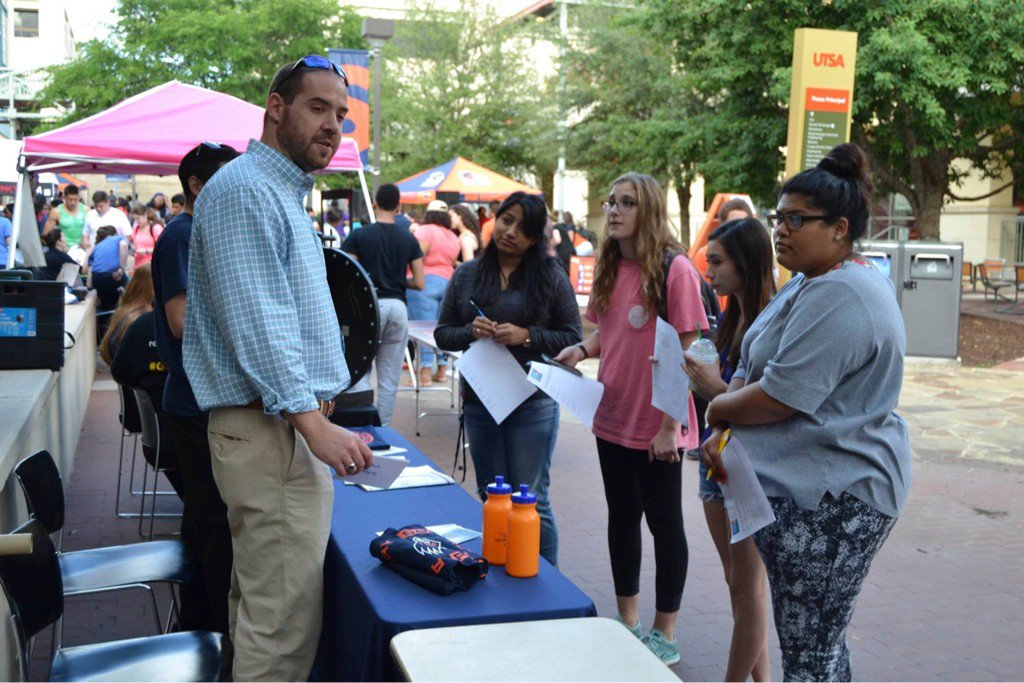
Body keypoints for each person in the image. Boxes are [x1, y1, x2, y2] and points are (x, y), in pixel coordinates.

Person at [183, 56, 372, 681]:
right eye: (318, 108)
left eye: (340, 114)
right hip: (275, 431)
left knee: (264, 612)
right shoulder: (247, 190)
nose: (333, 126)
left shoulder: (275, 190)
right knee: (281, 631)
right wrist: (312, 424)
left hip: (279, 427)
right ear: (276, 107)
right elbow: (259, 324)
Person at [702, 143, 912, 681]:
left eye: (796, 220)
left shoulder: (844, 293)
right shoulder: (809, 280)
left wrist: (717, 407)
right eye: (778, 217)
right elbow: (753, 357)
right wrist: (728, 418)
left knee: (811, 653)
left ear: (839, 228)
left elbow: (779, 397)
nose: (780, 230)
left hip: (837, 499)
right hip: (802, 492)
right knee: (815, 646)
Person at [554, 173, 709, 665]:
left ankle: (666, 632)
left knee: (665, 524)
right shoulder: (609, 265)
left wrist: (668, 427)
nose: (615, 210)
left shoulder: (674, 269)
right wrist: (582, 350)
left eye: (627, 203)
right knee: (622, 519)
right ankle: (627, 622)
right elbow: (609, 332)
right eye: (611, 202)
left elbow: (688, 353)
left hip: (657, 425)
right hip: (613, 416)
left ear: (649, 211)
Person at [435, 191, 582, 567]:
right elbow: (443, 334)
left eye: (523, 227)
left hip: (533, 403)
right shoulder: (467, 274)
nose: (511, 232)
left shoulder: (550, 276)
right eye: (506, 220)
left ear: (535, 238)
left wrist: (527, 335)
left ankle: (548, 584)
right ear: (495, 221)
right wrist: (470, 331)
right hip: (481, 401)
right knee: (492, 496)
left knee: (531, 499)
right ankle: (501, 572)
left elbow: (572, 336)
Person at [152, 140, 240, 640]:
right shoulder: (182, 236)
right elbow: (182, 321)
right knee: (212, 526)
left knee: (205, 522)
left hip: (198, 399)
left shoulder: (196, 233)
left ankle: (199, 627)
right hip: (194, 403)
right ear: (196, 185)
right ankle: (212, 635)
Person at [683, 217, 775, 681]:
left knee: (746, 585)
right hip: (716, 458)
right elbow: (724, 399)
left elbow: (765, 402)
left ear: (745, 262)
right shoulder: (732, 318)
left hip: (748, 466)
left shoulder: (772, 321)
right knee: (736, 582)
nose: (709, 272)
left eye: (717, 262)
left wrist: (713, 389)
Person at [340, 183, 425, 426]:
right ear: (399, 207)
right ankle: (384, 428)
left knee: (360, 372)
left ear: (375, 203)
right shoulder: (409, 238)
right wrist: (398, 280)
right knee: (389, 378)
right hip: (398, 307)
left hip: (367, 308)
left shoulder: (359, 236)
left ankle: (361, 425)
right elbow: (420, 282)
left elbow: (347, 275)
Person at [103, 263, 184, 499]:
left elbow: (120, 370)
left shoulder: (131, 317)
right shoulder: (143, 322)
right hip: (154, 424)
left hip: (144, 420)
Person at [407, 199, 461, 385]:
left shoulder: (425, 230)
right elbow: (452, 261)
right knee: (442, 328)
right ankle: (442, 371)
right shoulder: (452, 235)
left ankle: (424, 374)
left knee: (423, 329)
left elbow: (417, 256)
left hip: (424, 283)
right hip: (448, 283)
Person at [87, 225, 129, 310]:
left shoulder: (97, 246)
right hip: (113, 275)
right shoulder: (119, 238)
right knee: (129, 287)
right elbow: (124, 245)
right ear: (115, 233)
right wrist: (121, 269)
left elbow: (89, 267)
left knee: (106, 305)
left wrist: (89, 287)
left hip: (97, 277)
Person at [44, 184, 88, 251]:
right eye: (70, 199)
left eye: (75, 199)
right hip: (63, 251)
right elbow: (46, 234)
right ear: (64, 198)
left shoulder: (86, 210)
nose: (73, 203)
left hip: (82, 250)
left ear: (79, 198)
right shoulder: (56, 212)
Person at [130, 202, 164, 269]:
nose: (136, 221)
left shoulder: (155, 228)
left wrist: (146, 251)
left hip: (152, 266)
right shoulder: (136, 229)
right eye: (135, 219)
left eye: (138, 218)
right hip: (138, 266)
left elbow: (162, 248)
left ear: (145, 215)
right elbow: (134, 243)